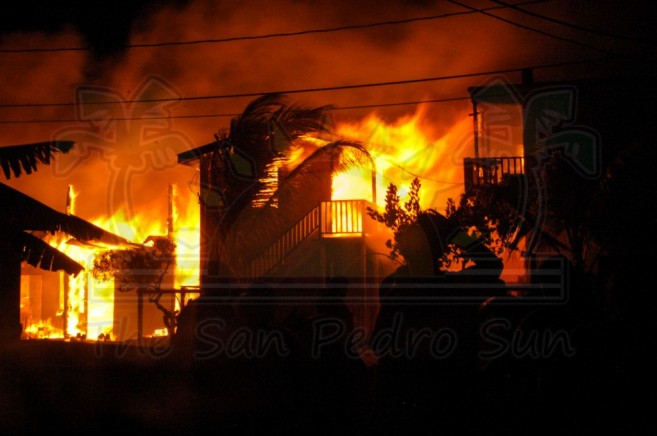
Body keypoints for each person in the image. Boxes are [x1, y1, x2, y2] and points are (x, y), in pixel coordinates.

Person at [369, 211, 505, 433]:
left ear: (407, 252)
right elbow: (491, 265)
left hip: (410, 411)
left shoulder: (397, 295)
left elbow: (379, 348)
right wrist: (454, 233)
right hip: (452, 406)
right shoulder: (456, 288)